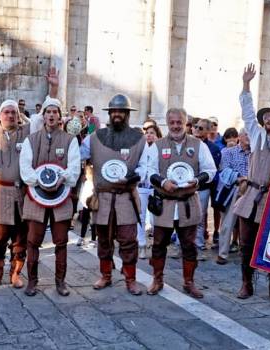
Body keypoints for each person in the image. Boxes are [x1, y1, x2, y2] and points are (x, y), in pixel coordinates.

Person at [138, 108, 217, 297]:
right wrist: (163, 182)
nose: (175, 126)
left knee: (189, 245)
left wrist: (197, 180)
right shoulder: (157, 145)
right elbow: (149, 171)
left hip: (187, 202)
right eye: (172, 122)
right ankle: (157, 279)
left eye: (179, 122)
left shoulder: (199, 145)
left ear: (185, 123)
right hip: (164, 203)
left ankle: (188, 282)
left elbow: (211, 170)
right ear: (167, 123)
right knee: (158, 244)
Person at [232, 63, 270, 302]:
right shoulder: (256, 135)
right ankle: (246, 284)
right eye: (266, 116)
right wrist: (246, 83)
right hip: (251, 197)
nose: (269, 119)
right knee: (246, 243)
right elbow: (247, 111)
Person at [81, 94, 146, 296]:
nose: (117, 114)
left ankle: (130, 279)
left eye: (121, 111)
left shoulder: (139, 139)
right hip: (103, 197)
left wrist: (132, 177)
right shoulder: (94, 138)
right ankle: (106, 275)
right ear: (109, 114)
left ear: (127, 114)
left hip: (126, 195)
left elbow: (145, 167)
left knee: (128, 239)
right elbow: (77, 156)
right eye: (114, 111)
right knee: (104, 239)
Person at [20, 97, 80, 297]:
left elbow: (74, 168)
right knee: (32, 241)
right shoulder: (31, 139)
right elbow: (25, 168)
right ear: (43, 116)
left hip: (61, 196)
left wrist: (60, 178)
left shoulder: (70, 140)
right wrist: (41, 182)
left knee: (61, 241)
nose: (51, 115)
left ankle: (60, 282)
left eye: (55, 112)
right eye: (48, 112)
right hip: (35, 196)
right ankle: (32, 282)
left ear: (59, 116)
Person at [0, 100, 30, 289]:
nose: (10, 116)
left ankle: (16, 273)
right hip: (0, 192)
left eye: (14, 112)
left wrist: (53, 91)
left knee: (20, 237)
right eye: (6, 112)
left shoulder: (27, 134)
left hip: (21, 193)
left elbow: (43, 117)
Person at [215, 128, 250, 265]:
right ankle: (222, 253)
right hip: (234, 189)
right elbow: (224, 171)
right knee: (228, 222)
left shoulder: (255, 153)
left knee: (249, 223)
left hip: (252, 189)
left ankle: (247, 253)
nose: (248, 137)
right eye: (246, 134)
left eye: (250, 135)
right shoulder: (228, 152)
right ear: (239, 137)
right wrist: (240, 178)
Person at [191, 118, 221, 260]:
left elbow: (211, 170)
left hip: (202, 187)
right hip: (185, 186)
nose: (197, 129)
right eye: (195, 126)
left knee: (201, 215)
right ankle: (182, 241)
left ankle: (198, 242)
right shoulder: (185, 144)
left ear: (208, 131)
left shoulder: (214, 149)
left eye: (201, 128)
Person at [137, 122, 162, 259]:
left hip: (156, 187)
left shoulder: (160, 149)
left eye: (152, 133)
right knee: (140, 216)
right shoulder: (140, 148)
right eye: (147, 133)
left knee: (155, 217)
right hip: (142, 186)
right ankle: (141, 244)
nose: (149, 135)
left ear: (157, 135)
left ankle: (157, 243)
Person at [76, 165, 96, 247]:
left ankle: (94, 239)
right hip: (85, 205)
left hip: (92, 205)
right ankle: (82, 237)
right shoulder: (86, 182)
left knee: (92, 223)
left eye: (86, 173)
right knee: (84, 222)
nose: (85, 175)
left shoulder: (94, 183)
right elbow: (82, 194)